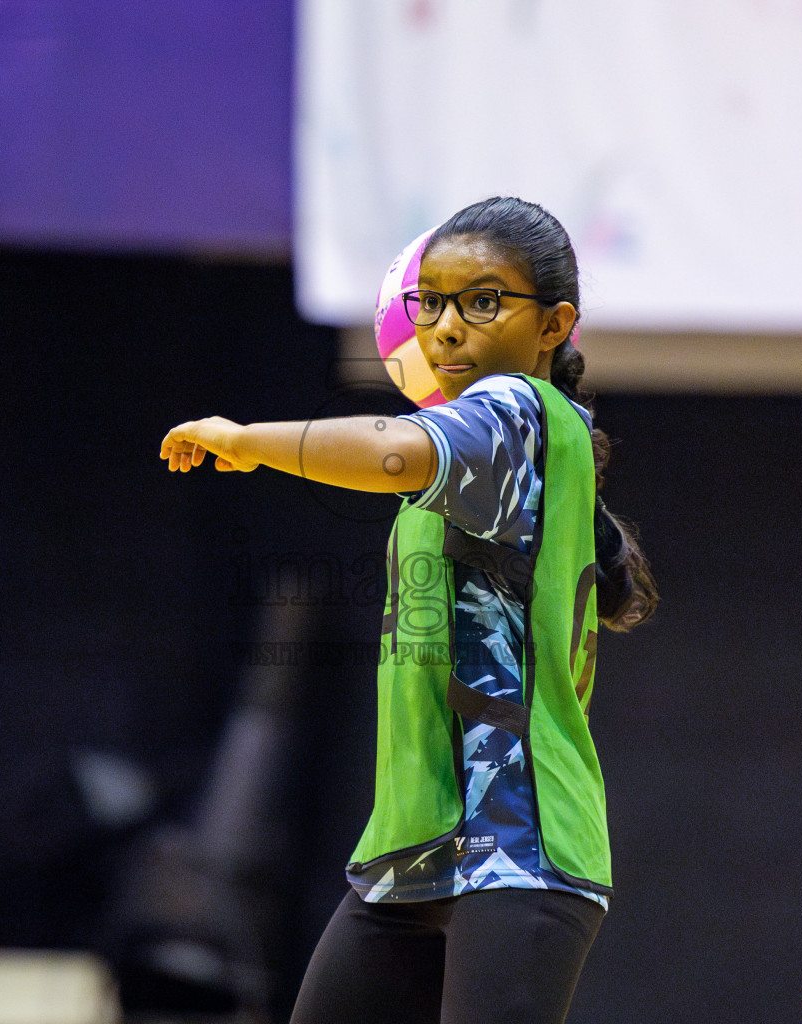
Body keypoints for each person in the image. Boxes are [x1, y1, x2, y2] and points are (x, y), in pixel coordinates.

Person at [160, 196, 658, 1024]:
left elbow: (392, 450)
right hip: (412, 852)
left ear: (553, 326)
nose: (448, 327)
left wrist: (246, 441)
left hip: (519, 850)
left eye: (484, 300)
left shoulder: (522, 414)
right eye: (431, 302)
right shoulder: (478, 453)